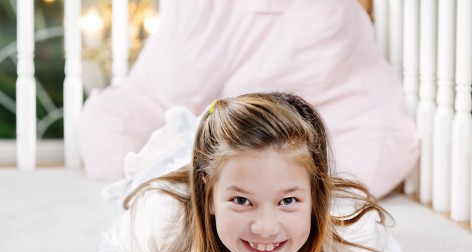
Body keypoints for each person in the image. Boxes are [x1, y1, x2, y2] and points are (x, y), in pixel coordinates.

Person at [96, 92, 427, 252]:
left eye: (287, 202)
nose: (266, 228)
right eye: (241, 201)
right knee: (148, 178)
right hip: (172, 167)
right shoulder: (166, 215)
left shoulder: (336, 219)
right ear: (209, 196)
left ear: (314, 197)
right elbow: (112, 248)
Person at [78, 0, 419, 199]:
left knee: (360, 163)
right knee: (107, 132)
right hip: (203, 124)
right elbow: (173, 84)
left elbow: (316, 94)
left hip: (296, 127)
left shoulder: (329, 11)